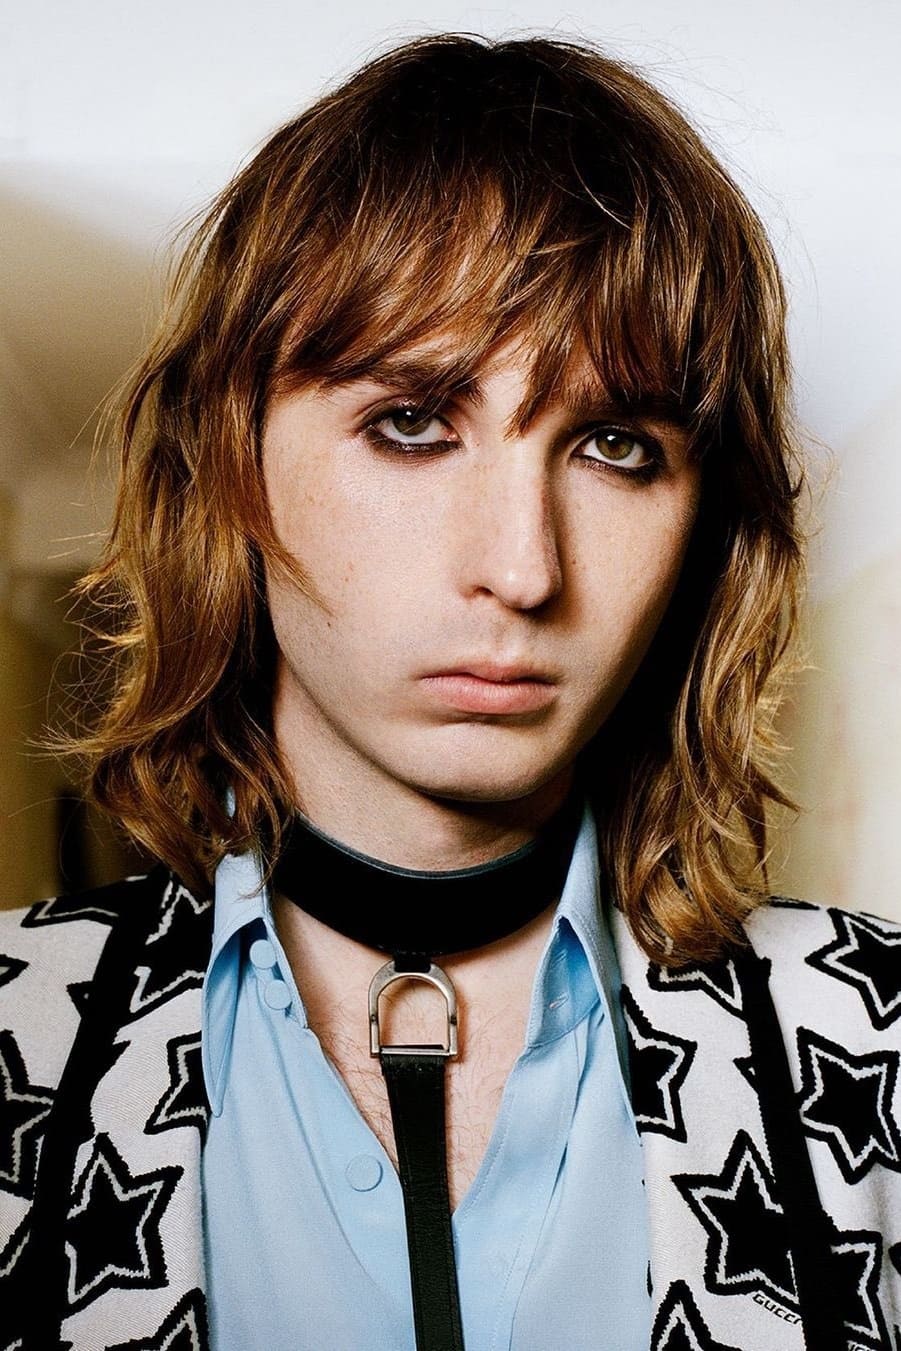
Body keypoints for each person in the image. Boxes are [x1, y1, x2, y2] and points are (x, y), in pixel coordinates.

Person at [2, 32, 899, 1351]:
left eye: (615, 446)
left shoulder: (871, 1042)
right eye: (413, 422)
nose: (522, 570)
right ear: (226, 466)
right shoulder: (21, 1036)